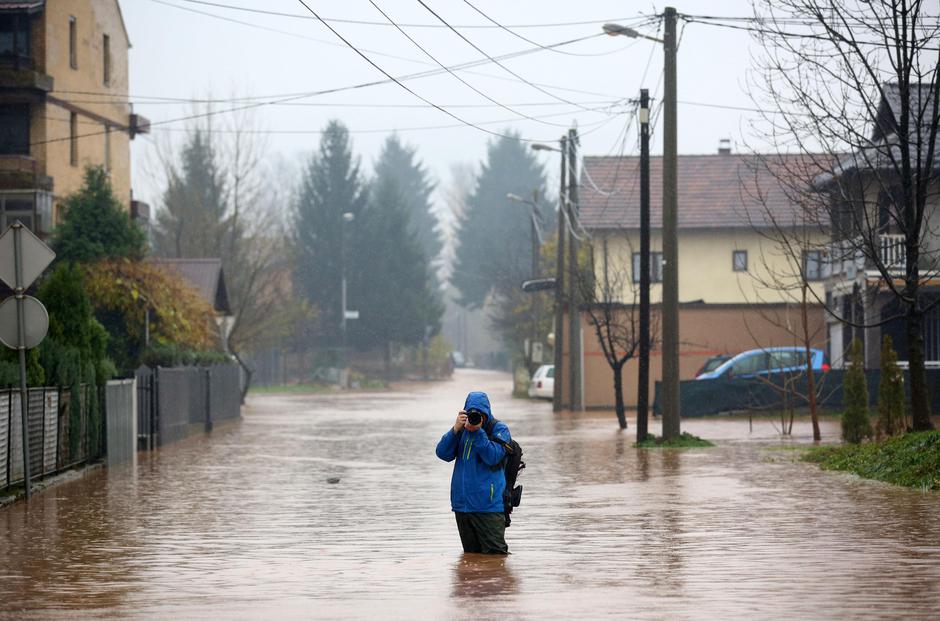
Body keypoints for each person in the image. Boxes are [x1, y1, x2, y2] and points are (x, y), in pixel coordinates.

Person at [435, 391, 511, 554]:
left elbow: (493, 457)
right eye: (472, 413)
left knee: (495, 559)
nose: (476, 417)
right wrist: (455, 430)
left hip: (488, 507)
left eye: (480, 414)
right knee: (471, 559)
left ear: (487, 414)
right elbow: (442, 453)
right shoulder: (461, 430)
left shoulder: (499, 429)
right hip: (462, 507)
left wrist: (478, 432)